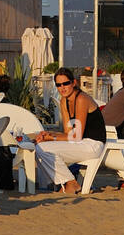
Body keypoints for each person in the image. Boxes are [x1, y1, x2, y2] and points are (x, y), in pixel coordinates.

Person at [33, 66, 105, 194]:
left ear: (74, 83)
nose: (62, 88)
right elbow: (68, 133)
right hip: (80, 143)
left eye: (66, 83)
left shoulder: (81, 99)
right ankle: (62, 183)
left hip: (93, 145)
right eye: (59, 85)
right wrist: (48, 134)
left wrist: (51, 137)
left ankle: (70, 183)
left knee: (43, 148)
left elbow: (76, 136)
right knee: (40, 145)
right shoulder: (64, 101)